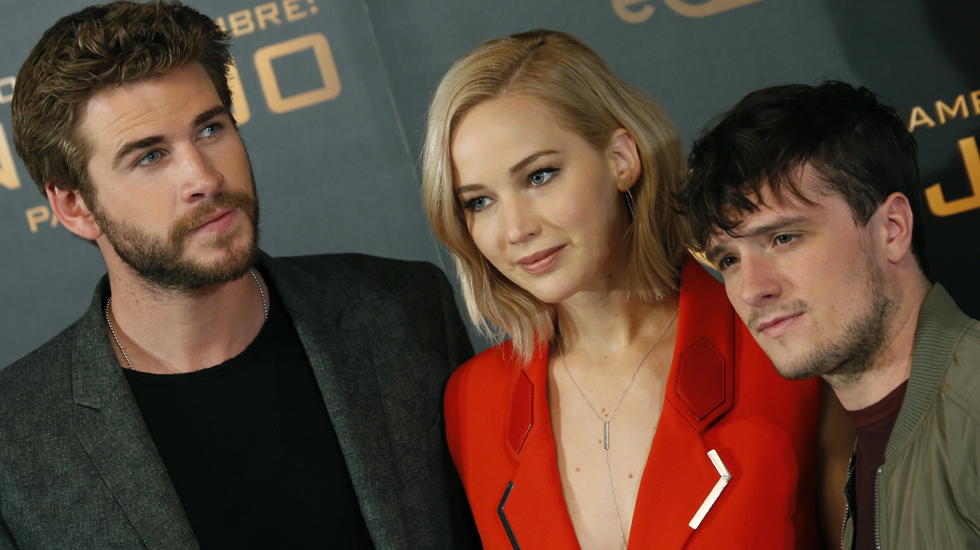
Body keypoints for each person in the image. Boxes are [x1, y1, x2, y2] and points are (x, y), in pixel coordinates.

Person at [0, 2, 475, 548]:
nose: (203, 177)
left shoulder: (404, 310)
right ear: (75, 207)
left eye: (209, 129)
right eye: (150, 157)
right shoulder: (15, 445)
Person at [422, 29, 829, 549]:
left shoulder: (783, 343)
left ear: (621, 158)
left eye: (539, 176)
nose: (515, 229)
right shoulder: (473, 402)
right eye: (479, 202)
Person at [679, 80, 980, 549]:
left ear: (892, 228)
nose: (752, 290)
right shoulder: (868, 447)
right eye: (730, 260)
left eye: (783, 238)